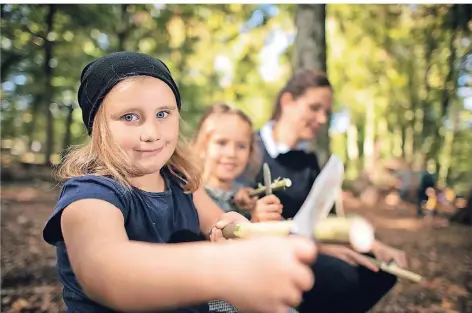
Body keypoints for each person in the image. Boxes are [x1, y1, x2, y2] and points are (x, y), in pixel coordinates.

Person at [42, 52, 317, 313]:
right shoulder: (89, 196)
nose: (151, 133)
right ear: (97, 126)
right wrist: (225, 267)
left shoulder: (182, 181)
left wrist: (236, 226)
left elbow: (219, 222)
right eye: (129, 117)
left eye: (163, 114)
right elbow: (106, 273)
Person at [248, 69, 407, 313]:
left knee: (383, 271)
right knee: (341, 275)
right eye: (314, 108)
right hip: (266, 251)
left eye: (326, 112)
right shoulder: (249, 151)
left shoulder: (309, 161)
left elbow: (325, 219)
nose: (322, 119)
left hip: (309, 246)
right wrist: (320, 248)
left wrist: (373, 246)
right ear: (287, 102)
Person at [193, 103, 283, 222]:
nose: (231, 154)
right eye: (221, 143)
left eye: (241, 146)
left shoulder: (247, 198)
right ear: (203, 147)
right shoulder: (193, 196)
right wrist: (255, 222)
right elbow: (217, 234)